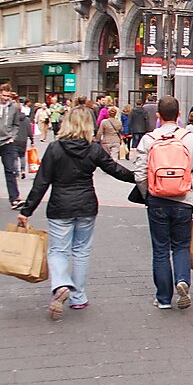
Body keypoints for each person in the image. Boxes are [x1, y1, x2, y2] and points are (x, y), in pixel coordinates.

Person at [17, 108, 136, 319]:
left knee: (58, 251)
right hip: (86, 205)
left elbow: (41, 182)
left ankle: (61, 284)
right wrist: (140, 177)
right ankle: (78, 297)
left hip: (60, 206)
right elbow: (115, 170)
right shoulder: (93, 149)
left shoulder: (54, 148)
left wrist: (27, 209)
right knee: (81, 251)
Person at [133, 97, 193, 310]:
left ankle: (164, 298)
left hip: (157, 199)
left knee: (160, 249)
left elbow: (139, 174)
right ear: (179, 115)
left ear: (158, 116)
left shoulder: (149, 140)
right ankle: (182, 280)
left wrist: (148, 194)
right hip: (184, 199)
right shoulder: (191, 139)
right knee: (181, 245)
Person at [0, 86, 26, 209]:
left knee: (10, 170)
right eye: (4, 95)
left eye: (8, 96)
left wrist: (12, 136)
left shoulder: (14, 107)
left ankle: (14, 198)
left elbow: (16, 123)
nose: (5, 98)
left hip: (7, 142)